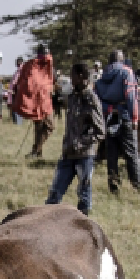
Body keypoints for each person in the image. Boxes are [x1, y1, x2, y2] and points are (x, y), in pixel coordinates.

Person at [44, 61, 107, 214]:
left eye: (73, 75)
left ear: (80, 76)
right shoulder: (72, 97)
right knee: (54, 194)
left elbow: (100, 131)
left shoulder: (91, 100)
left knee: (84, 195)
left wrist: (81, 143)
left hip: (84, 155)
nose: (71, 79)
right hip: (67, 154)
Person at [94, 50, 140, 195]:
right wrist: (135, 117)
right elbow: (131, 96)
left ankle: (114, 187)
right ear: (122, 60)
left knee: (112, 154)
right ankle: (139, 187)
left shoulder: (102, 76)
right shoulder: (126, 73)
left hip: (109, 117)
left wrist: (110, 108)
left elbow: (97, 100)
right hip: (125, 116)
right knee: (132, 154)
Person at [10, 43, 57, 160]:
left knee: (49, 127)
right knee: (40, 128)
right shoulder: (32, 66)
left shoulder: (49, 67)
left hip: (45, 102)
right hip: (37, 102)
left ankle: (36, 150)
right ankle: (36, 152)